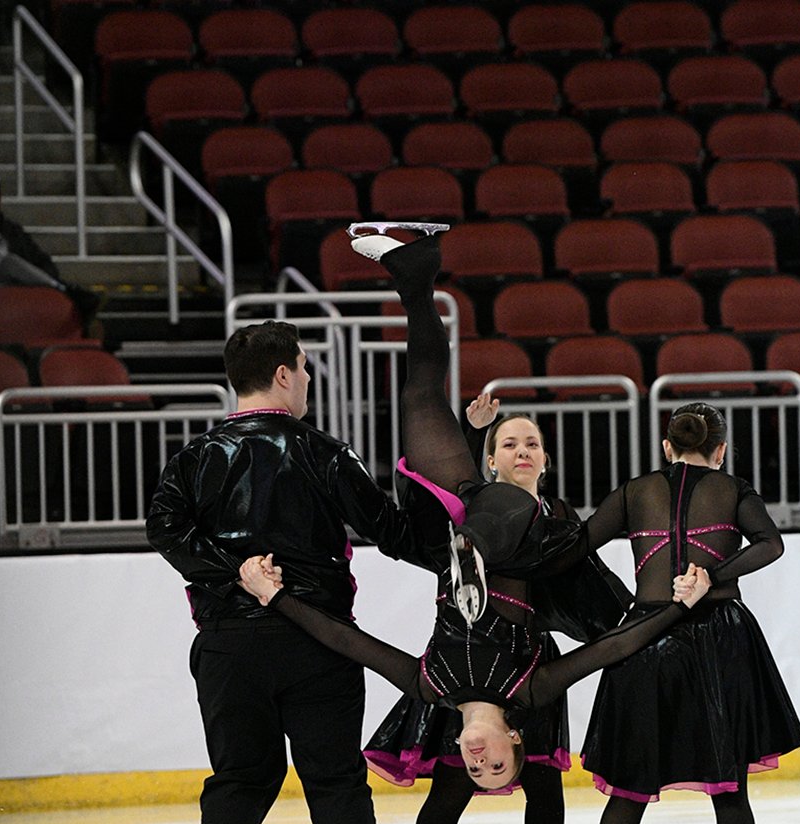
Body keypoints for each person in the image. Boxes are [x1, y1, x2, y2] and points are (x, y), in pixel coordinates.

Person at [236, 229, 713, 795]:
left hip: (456, 527)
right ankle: (474, 553)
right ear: (517, 741)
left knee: (420, 398)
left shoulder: (431, 686)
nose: (479, 759)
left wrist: (276, 597)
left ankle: (416, 274)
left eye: (475, 769)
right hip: (526, 543)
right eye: (498, 766)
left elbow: (348, 642)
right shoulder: (530, 691)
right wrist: (677, 609)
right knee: (507, 509)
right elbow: (613, 646)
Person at [146, 320, 423, 824]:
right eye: (303, 369)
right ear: (280, 375)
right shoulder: (327, 452)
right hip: (316, 642)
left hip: (229, 647)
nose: (307, 381)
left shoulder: (193, 459)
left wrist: (229, 570)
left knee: (240, 780)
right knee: (334, 781)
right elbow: (391, 530)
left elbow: (164, 529)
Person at [365, 397, 633, 824]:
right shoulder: (476, 507)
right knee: (451, 784)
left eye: (531, 443)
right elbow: (444, 482)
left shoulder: (557, 517)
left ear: (546, 458)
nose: (522, 451)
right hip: (460, 663)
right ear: (491, 461)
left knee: (542, 782)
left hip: (527, 661)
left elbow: (588, 582)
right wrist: (467, 428)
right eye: (509, 444)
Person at [567, 401, 800, 824]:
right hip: (719, 639)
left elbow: (575, 548)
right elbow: (770, 544)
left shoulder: (634, 491)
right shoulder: (732, 488)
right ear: (719, 450)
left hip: (645, 637)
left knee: (628, 787)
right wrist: (712, 575)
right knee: (728, 785)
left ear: (667, 448)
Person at [0, 169, 99, 330]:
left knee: (15, 267)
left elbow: (43, 262)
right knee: (9, 263)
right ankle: (67, 290)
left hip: (16, 300)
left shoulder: (11, 231)